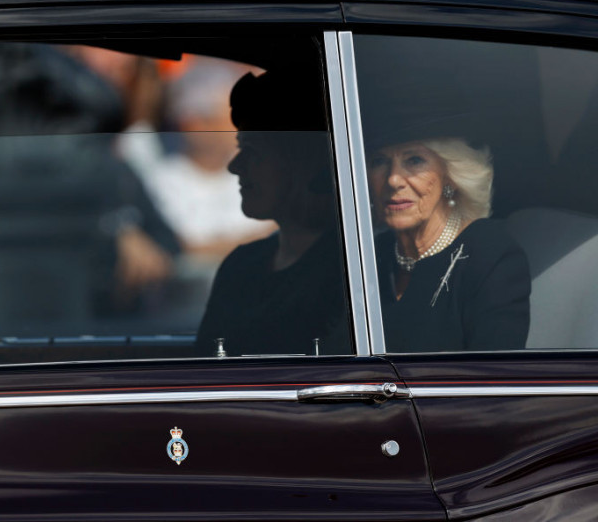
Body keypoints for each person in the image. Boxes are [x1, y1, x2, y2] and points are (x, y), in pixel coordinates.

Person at [195, 69, 352, 357]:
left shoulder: (350, 274)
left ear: (301, 161)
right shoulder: (241, 265)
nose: (234, 166)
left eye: (252, 151)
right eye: (240, 148)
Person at [366, 131, 530, 352]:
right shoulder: (366, 254)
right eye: (379, 161)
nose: (393, 180)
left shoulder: (489, 254)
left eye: (414, 160)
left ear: (449, 176)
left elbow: (495, 370)